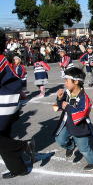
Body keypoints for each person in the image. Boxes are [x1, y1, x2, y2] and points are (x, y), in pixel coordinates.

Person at [0, 29, 35, 179]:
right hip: (7, 101)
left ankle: (24, 146)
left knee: (2, 137)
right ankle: (18, 168)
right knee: (3, 137)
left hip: (5, 102)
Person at [53, 67, 93, 171]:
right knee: (60, 139)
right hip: (67, 122)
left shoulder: (84, 98)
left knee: (83, 149)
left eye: (67, 80)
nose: (65, 83)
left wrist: (67, 106)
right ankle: (70, 146)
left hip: (80, 127)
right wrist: (59, 98)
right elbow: (59, 105)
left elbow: (81, 113)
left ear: (75, 81)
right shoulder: (67, 92)